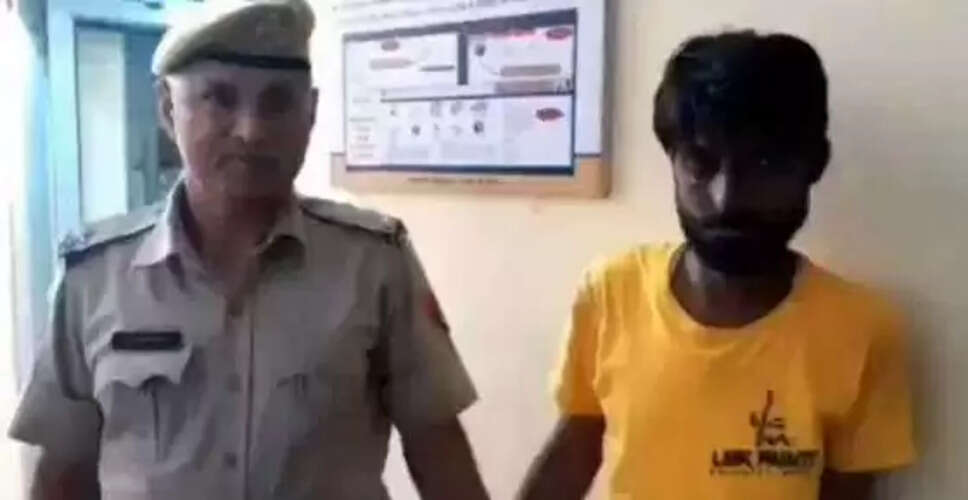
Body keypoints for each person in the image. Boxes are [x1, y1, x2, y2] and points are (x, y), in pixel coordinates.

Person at [9, 1, 489, 499]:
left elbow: (440, 455)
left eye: (278, 102)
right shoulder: (94, 280)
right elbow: (62, 474)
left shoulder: (374, 265)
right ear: (168, 109)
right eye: (219, 98)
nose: (251, 130)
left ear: (311, 113)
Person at [518, 31, 916, 500]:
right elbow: (572, 452)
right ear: (672, 161)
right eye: (700, 164)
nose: (726, 198)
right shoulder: (612, 293)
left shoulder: (862, 328)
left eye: (763, 164)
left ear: (814, 164)